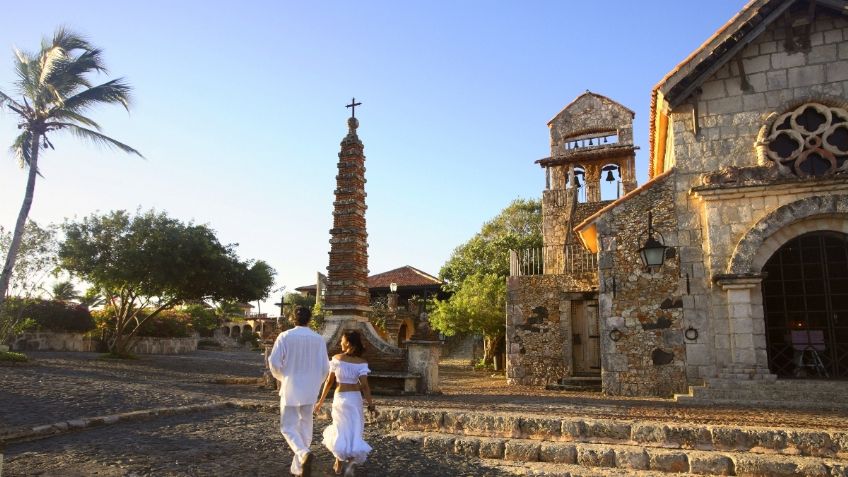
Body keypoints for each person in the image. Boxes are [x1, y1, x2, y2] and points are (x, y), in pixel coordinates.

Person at [268, 306, 330, 477]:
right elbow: (326, 368)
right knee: (305, 426)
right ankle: (299, 467)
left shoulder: (285, 336)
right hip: (310, 390)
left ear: (292, 319)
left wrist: (282, 377)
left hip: (291, 387)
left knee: (287, 427)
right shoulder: (318, 339)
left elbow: (273, 362)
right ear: (309, 319)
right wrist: (316, 383)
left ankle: (303, 453)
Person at [315, 330, 376, 476]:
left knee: (340, 428)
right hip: (355, 398)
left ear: (348, 342)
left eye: (342, 340)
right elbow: (365, 386)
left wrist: (320, 401)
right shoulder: (362, 363)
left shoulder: (337, 358)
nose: (340, 343)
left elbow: (329, 382)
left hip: (340, 398)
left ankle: (338, 462)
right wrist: (371, 404)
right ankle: (350, 464)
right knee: (354, 429)